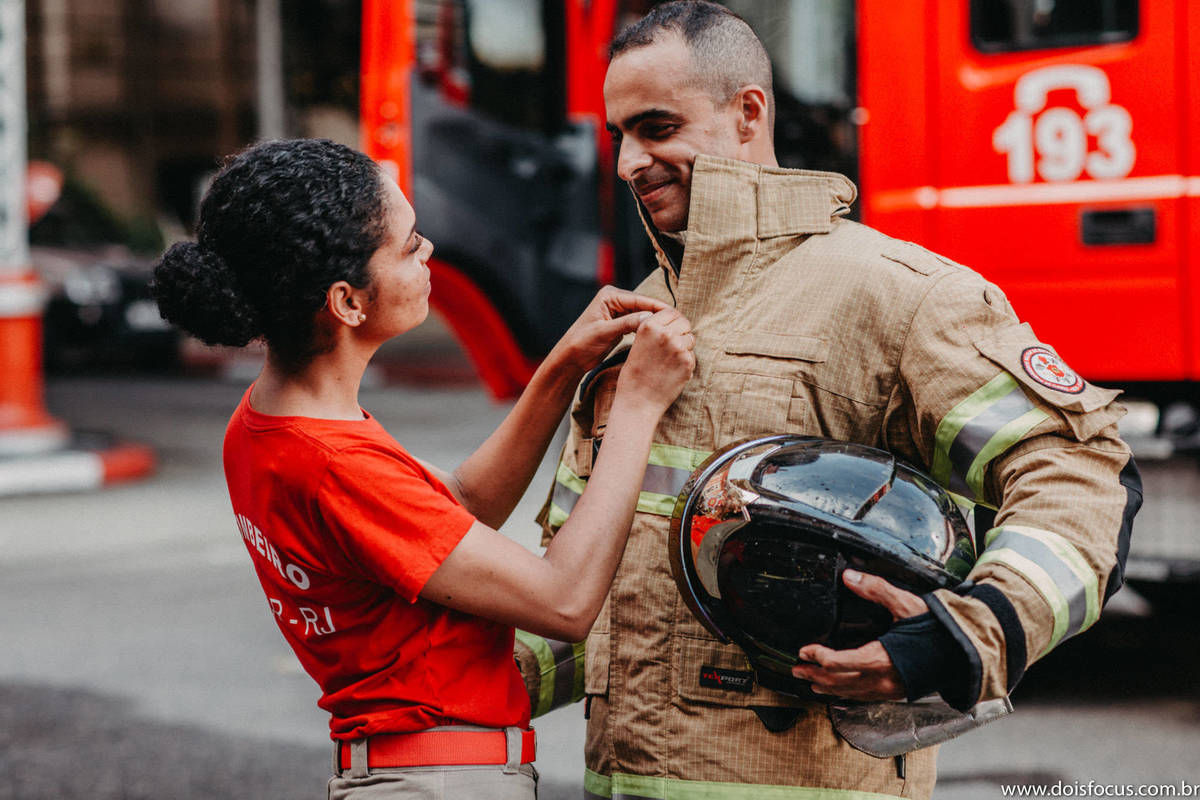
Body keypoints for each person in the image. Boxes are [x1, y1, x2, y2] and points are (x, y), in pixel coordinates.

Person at [536, 3, 1142, 799]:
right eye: (619, 135)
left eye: (657, 128)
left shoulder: (897, 295)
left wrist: (959, 637)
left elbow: (1081, 473)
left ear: (749, 112)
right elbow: (580, 595)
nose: (628, 163)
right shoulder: (634, 324)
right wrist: (436, 683)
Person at [150, 137, 696, 799]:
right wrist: (639, 404)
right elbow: (565, 600)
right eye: (409, 247)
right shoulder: (336, 465)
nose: (429, 250)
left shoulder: (264, 424)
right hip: (442, 781)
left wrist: (563, 366)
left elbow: (453, 510)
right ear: (348, 301)